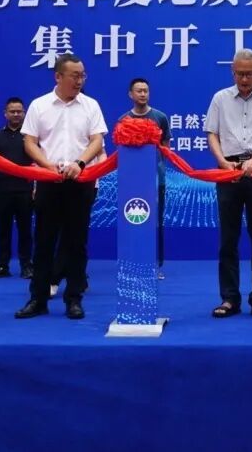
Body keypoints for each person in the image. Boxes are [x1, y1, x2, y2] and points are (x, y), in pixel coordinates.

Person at [15, 53, 108, 320]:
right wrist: (47, 166)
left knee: (77, 243)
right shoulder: (39, 105)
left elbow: (97, 140)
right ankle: (38, 299)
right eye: (74, 76)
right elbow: (29, 142)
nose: (80, 81)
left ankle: (74, 298)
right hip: (49, 182)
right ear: (58, 76)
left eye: (83, 76)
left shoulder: (90, 105)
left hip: (80, 182)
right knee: (44, 241)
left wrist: (80, 163)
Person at [204, 49, 252, 320]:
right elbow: (212, 133)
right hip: (228, 173)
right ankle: (229, 298)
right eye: (240, 74)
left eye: (250, 74)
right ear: (232, 72)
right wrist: (222, 162)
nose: (245, 79)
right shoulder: (220, 98)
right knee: (228, 239)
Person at [119, 78, 171, 279]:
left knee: (156, 222)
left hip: (156, 180)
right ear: (130, 94)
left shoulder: (160, 117)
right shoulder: (124, 120)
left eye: (146, 91)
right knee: (134, 222)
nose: (143, 94)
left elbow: (165, 148)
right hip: (132, 183)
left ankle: (156, 265)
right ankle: (133, 263)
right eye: (139, 91)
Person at [0, 97, 34, 280]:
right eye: (12, 111)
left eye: (19, 111)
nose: (16, 114)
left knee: (25, 230)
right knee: (3, 230)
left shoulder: (30, 137)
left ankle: (26, 266)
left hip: (25, 190)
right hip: (3, 190)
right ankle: (2, 266)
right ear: (5, 113)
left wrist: (36, 186)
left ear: (24, 113)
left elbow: (38, 163)